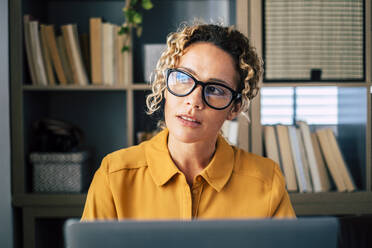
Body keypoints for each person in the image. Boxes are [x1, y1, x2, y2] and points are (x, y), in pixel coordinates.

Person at [81, 23, 296, 220]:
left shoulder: (266, 181)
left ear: (234, 108)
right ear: (165, 86)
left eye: (215, 89)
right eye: (183, 78)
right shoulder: (114, 175)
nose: (193, 102)